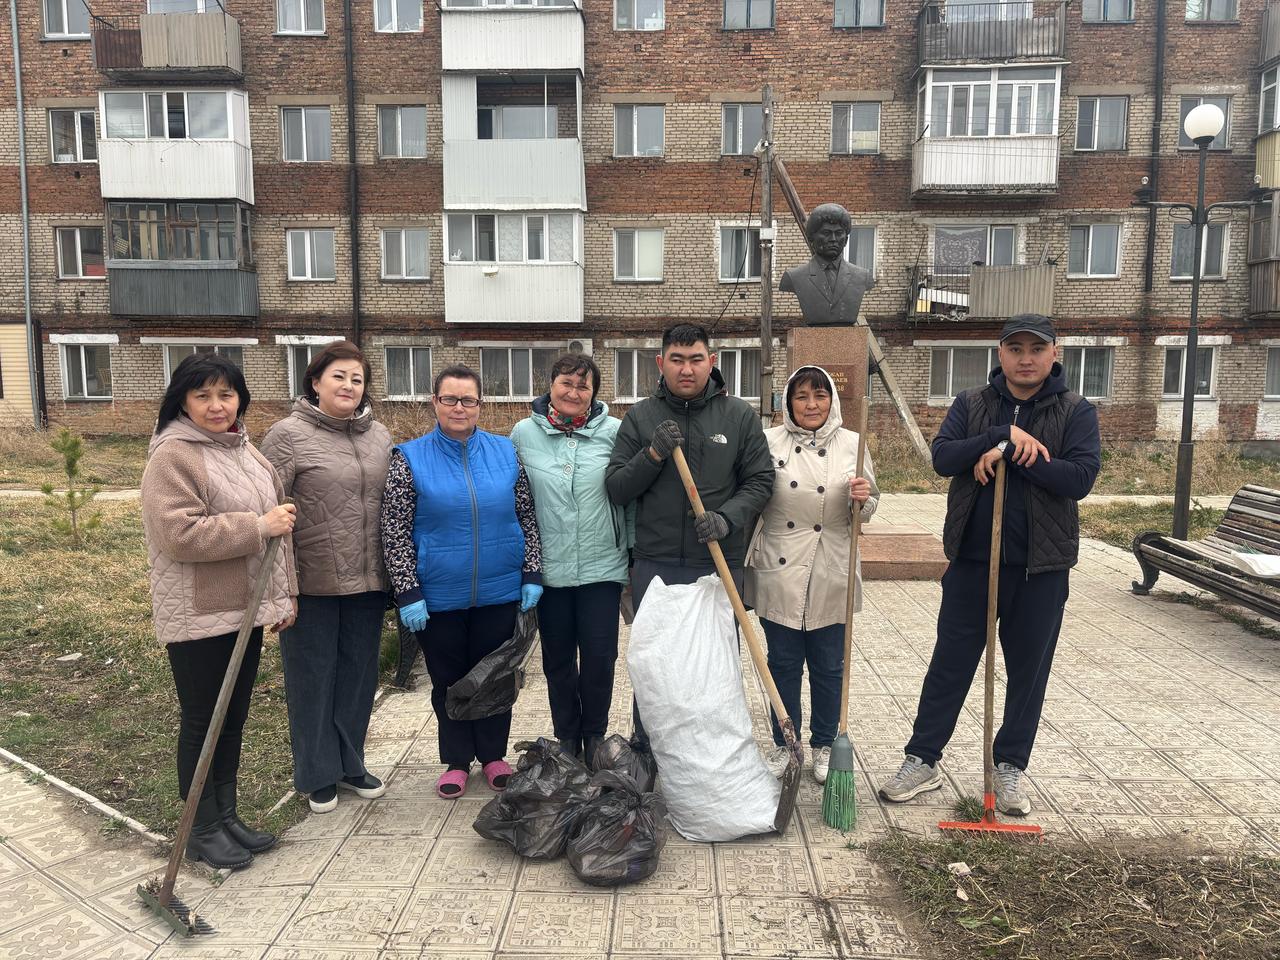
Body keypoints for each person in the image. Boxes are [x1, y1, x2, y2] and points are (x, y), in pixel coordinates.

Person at [878, 314, 1101, 816]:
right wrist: (1000, 437)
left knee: (1028, 672)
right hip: (974, 564)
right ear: (1000, 353)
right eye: (1015, 348)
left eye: (1036, 349)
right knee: (950, 666)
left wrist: (1018, 454)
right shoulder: (973, 404)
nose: (1026, 358)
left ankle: (1010, 766)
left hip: (1040, 570)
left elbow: (1080, 478)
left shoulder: (1075, 411)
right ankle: (922, 758)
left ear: (1053, 353)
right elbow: (942, 458)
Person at [140, 354, 298, 869]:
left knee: (230, 721)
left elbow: (280, 533)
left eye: (225, 394)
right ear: (182, 400)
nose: (216, 406)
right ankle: (201, 829)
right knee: (203, 721)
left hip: (244, 609)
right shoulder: (173, 456)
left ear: (240, 398)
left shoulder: (245, 450)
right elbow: (178, 534)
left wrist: (284, 595)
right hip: (198, 611)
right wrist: (256, 525)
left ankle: (225, 816)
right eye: (203, 395)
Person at [606, 323, 775, 744]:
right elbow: (617, 487)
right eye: (677, 360)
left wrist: (727, 518)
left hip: (717, 563)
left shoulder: (738, 416)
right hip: (656, 565)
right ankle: (647, 750)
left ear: (711, 362)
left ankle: (713, 754)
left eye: (696, 359)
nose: (687, 369)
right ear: (661, 363)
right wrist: (653, 454)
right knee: (655, 664)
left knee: (714, 664)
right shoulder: (642, 417)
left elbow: (760, 480)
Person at [381, 364, 544, 799]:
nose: (459, 407)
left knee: (494, 677)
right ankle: (456, 759)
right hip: (438, 598)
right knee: (449, 679)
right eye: (449, 398)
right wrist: (408, 591)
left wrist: (531, 571)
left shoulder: (506, 453)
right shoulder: (409, 458)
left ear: (480, 405)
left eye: (467, 399)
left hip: (499, 589)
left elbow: (526, 515)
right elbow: (395, 529)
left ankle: (492, 756)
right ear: (434, 402)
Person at [260, 341, 394, 815]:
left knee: (358, 678)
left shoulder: (379, 436)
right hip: (311, 583)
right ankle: (318, 774)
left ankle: (350, 763)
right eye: (339, 376)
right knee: (312, 680)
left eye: (357, 379)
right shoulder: (286, 435)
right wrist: (282, 591)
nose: (349, 386)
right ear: (315, 382)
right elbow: (270, 516)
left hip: (368, 581)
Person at [745, 366, 879, 784]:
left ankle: (824, 744)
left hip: (831, 563)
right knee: (782, 663)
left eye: (820, 396)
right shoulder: (768, 442)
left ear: (832, 401)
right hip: (780, 562)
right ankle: (786, 745)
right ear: (788, 402)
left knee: (828, 664)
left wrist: (864, 500)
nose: (811, 405)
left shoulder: (853, 445)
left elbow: (870, 505)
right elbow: (751, 493)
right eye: (802, 396)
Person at [510, 353, 628, 765]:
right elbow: (517, 500)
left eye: (583, 386)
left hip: (602, 566)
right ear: (551, 385)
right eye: (566, 383)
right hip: (550, 568)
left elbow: (628, 494)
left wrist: (630, 554)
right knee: (558, 660)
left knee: (599, 658)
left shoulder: (615, 432)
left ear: (594, 393)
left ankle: (594, 734)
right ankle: (567, 738)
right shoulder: (523, 433)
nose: (574, 392)